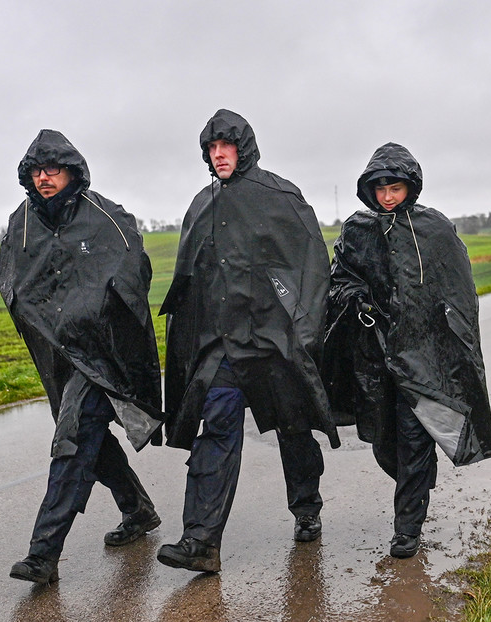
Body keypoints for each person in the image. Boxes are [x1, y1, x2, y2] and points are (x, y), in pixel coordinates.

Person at [155, 109, 339, 573]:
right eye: (211, 148)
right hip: (223, 347)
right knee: (216, 426)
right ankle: (200, 541)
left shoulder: (280, 196)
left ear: (243, 147)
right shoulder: (202, 204)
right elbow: (190, 278)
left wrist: (304, 333)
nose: (218, 155)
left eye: (226, 146)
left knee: (292, 427)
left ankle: (306, 506)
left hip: (273, 341)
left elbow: (311, 266)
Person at [0, 129, 165, 584]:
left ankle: (43, 554)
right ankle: (137, 508)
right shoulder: (22, 222)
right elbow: (11, 279)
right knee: (90, 438)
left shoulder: (104, 217)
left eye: (52, 169)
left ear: (73, 171)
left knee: (72, 439)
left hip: (104, 352)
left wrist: (96, 316)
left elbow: (132, 273)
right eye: (36, 170)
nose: (44, 178)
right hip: (59, 355)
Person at [322, 142, 491, 559]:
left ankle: (407, 529)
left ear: (410, 186)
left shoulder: (435, 229)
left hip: (423, 357)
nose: (387, 196)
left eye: (394, 187)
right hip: (375, 359)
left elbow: (458, 291)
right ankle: (415, 488)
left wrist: (451, 342)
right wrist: (357, 298)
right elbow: (338, 278)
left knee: (415, 437)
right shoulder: (357, 231)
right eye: (379, 188)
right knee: (388, 442)